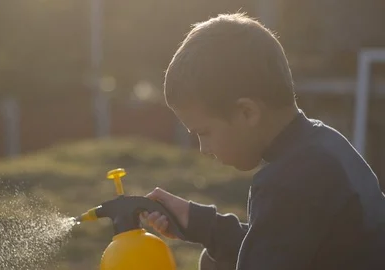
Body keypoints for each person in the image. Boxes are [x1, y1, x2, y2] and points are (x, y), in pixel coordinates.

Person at [140, 13, 385, 270]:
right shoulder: (325, 145)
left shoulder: (285, 183)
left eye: (204, 132)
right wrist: (197, 221)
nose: (204, 149)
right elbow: (277, 239)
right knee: (215, 259)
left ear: (248, 113)